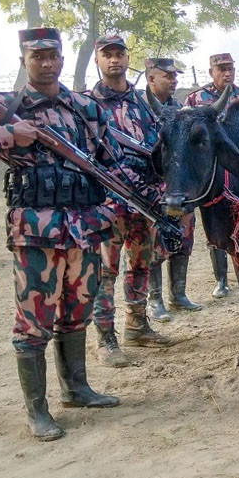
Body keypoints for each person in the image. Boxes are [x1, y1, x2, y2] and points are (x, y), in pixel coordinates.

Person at [0, 27, 120, 440]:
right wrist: (5, 134)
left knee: (78, 311)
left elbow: (110, 159)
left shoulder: (83, 107)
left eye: (52, 56)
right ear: (24, 60)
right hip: (36, 233)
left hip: (85, 228)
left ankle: (76, 389)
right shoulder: (5, 106)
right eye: (36, 56)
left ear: (62, 58)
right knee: (34, 321)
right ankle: (37, 411)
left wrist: (114, 206)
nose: (46, 63)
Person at [87, 35, 174, 367]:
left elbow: (159, 147)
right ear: (97, 59)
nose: (114, 60)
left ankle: (137, 325)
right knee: (105, 271)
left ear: (127, 58)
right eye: (107, 55)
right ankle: (106, 339)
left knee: (141, 265)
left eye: (119, 54)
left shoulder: (143, 101)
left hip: (144, 201)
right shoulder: (86, 104)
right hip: (106, 204)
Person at [185, 52, 239, 299]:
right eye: (221, 69)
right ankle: (221, 279)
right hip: (211, 178)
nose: (226, 73)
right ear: (211, 72)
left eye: (230, 68)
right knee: (217, 226)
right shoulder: (195, 100)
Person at [144, 58, 201, 321]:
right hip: (151, 190)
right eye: (167, 75)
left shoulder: (182, 111)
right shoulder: (141, 109)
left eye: (175, 75)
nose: (173, 79)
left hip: (181, 188)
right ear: (151, 78)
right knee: (155, 246)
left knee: (183, 239)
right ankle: (155, 300)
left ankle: (178, 294)